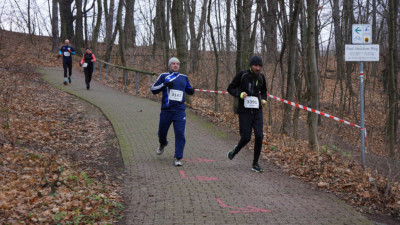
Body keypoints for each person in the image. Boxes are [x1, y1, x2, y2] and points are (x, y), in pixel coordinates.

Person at [150, 57, 195, 166]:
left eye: (177, 64)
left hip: (179, 111)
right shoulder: (164, 76)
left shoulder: (184, 77)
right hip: (166, 110)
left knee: (180, 134)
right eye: (173, 64)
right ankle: (162, 143)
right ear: (169, 65)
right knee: (162, 133)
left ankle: (178, 157)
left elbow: (189, 90)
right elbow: (153, 90)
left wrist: (192, 90)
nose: (175, 65)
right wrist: (164, 85)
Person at [227, 56, 268, 173]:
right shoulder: (242, 75)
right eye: (256, 65)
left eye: (260, 66)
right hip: (244, 111)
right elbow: (230, 88)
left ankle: (255, 163)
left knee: (259, 135)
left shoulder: (261, 77)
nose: (258, 68)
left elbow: (264, 91)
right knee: (246, 137)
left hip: (257, 110)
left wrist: (264, 99)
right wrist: (240, 94)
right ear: (251, 65)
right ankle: (235, 150)